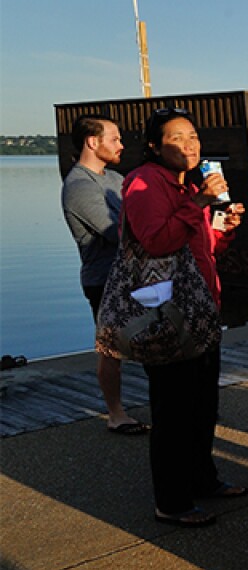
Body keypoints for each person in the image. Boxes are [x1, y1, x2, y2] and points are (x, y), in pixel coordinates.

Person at [123, 107, 248, 527]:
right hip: (167, 314)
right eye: (177, 138)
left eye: (193, 136)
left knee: (201, 403)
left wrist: (222, 227)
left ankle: (202, 479)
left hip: (200, 309)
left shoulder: (185, 185)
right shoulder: (143, 183)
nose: (189, 144)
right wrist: (199, 201)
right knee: (174, 409)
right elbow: (156, 242)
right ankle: (171, 501)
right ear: (155, 146)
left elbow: (200, 247)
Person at [60, 114, 148, 436]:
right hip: (104, 279)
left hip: (134, 273)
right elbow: (117, 231)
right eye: (115, 138)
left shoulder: (114, 177)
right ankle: (116, 414)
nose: (121, 145)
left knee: (154, 339)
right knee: (112, 348)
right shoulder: (79, 186)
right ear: (92, 142)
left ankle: (171, 404)